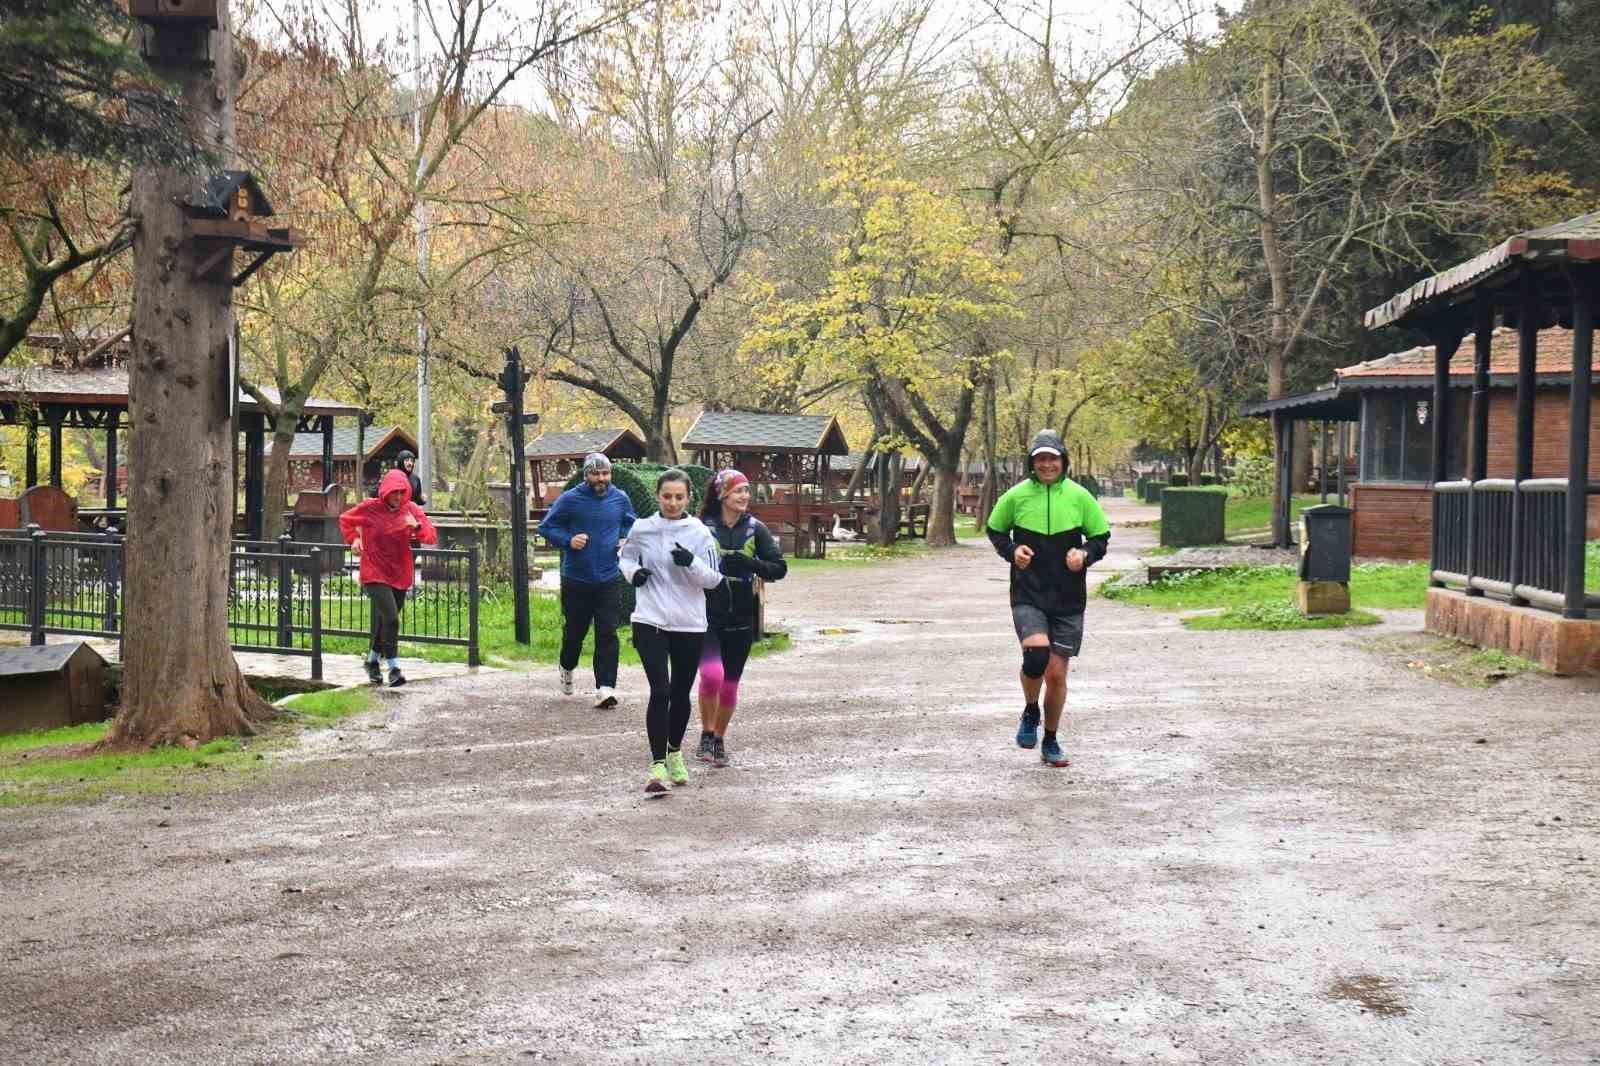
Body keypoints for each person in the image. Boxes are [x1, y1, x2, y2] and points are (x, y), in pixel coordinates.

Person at [986, 429, 1109, 768]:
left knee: (1056, 674)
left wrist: (1084, 554)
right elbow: (995, 529)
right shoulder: (1016, 496)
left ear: (1063, 461)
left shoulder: (1080, 496)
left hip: (1069, 596)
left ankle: (1051, 740)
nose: (1046, 464)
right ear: (1032, 463)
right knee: (1037, 654)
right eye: (1040, 459)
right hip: (1029, 591)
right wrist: (1013, 551)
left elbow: (1100, 538)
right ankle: (1030, 710)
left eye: (1052, 458)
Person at [619, 469, 723, 795]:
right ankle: (657, 764)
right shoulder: (643, 528)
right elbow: (625, 557)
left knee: (679, 692)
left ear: (688, 497)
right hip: (649, 618)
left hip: (688, 622)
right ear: (657, 496)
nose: (673, 503)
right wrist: (633, 573)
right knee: (660, 690)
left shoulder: (699, 533)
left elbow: (713, 579)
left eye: (679, 497)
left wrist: (690, 562)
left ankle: (675, 751)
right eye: (667, 497)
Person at [695, 469, 786, 768]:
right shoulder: (701, 526)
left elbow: (779, 568)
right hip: (706, 615)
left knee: (730, 684)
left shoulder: (755, 529)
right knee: (711, 675)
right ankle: (705, 733)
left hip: (743, 616)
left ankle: (719, 738)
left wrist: (752, 563)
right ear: (722, 494)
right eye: (738, 491)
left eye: (747, 490)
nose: (745, 496)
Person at [538, 452, 637, 707]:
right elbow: (547, 527)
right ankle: (567, 665)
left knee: (607, 632)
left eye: (605, 473)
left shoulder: (620, 498)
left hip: (608, 577)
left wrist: (625, 537)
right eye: (595, 474)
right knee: (575, 632)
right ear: (586, 475)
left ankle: (605, 687)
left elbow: (631, 523)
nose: (601, 479)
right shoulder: (571, 499)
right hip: (577, 578)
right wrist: (568, 540)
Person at [340, 468, 438, 687]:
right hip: (374, 570)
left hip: (400, 572)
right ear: (385, 491)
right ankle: (394, 668)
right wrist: (354, 539)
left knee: (386, 621)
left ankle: (372, 662)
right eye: (394, 492)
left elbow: (431, 536)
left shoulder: (410, 509)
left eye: (402, 493)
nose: (398, 497)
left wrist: (418, 526)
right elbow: (345, 519)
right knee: (392, 619)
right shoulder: (370, 508)